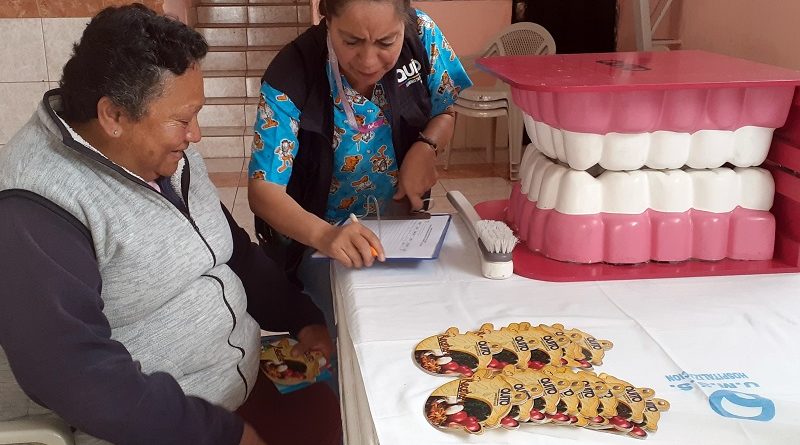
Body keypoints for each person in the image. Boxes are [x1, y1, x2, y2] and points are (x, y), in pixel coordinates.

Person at [0, 4, 340, 445]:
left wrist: (302, 319)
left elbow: (230, 249)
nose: (195, 135)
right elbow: (72, 372)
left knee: (357, 415)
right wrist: (219, 433)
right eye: (182, 120)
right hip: (167, 428)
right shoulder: (36, 206)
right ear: (114, 116)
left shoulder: (163, 153)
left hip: (240, 385)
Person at [247, 0, 473, 355]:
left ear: (405, 24)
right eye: (351, 41)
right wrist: (327, 236)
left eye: (386, 42)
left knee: (426, 329)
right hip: (320, 241)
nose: (369, 62)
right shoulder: (291, 74)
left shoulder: (422, 34)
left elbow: (445, 109)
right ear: (327, 17)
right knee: (356, 337)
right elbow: (263, 190)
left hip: (400, 231)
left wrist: (426, 146)